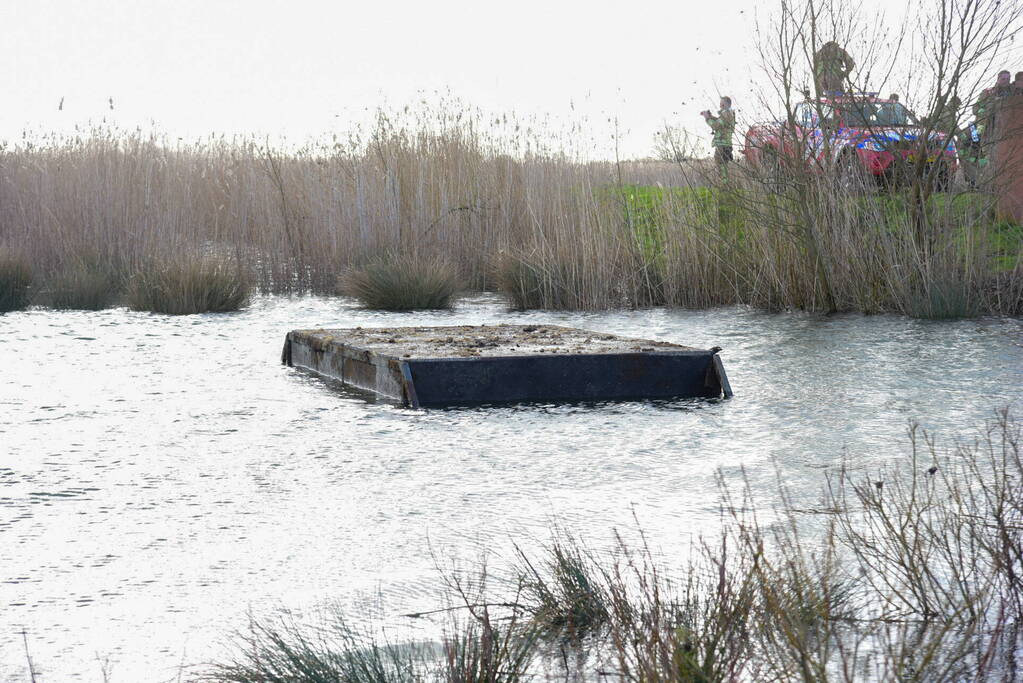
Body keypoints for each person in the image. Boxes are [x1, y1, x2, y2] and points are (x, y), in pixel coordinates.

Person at [701, 96, 735, 178]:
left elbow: (716, 126)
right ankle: (725, 184)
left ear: (725, 104)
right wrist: (711, 116)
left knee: (720, 164)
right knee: (723, 165)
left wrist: (707, 118)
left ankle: (724, 185)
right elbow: (721, 122)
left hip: (722, 144)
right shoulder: (728, 113)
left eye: (721, 103)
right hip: (725, 143)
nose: (720, 105)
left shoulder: (726, 113)